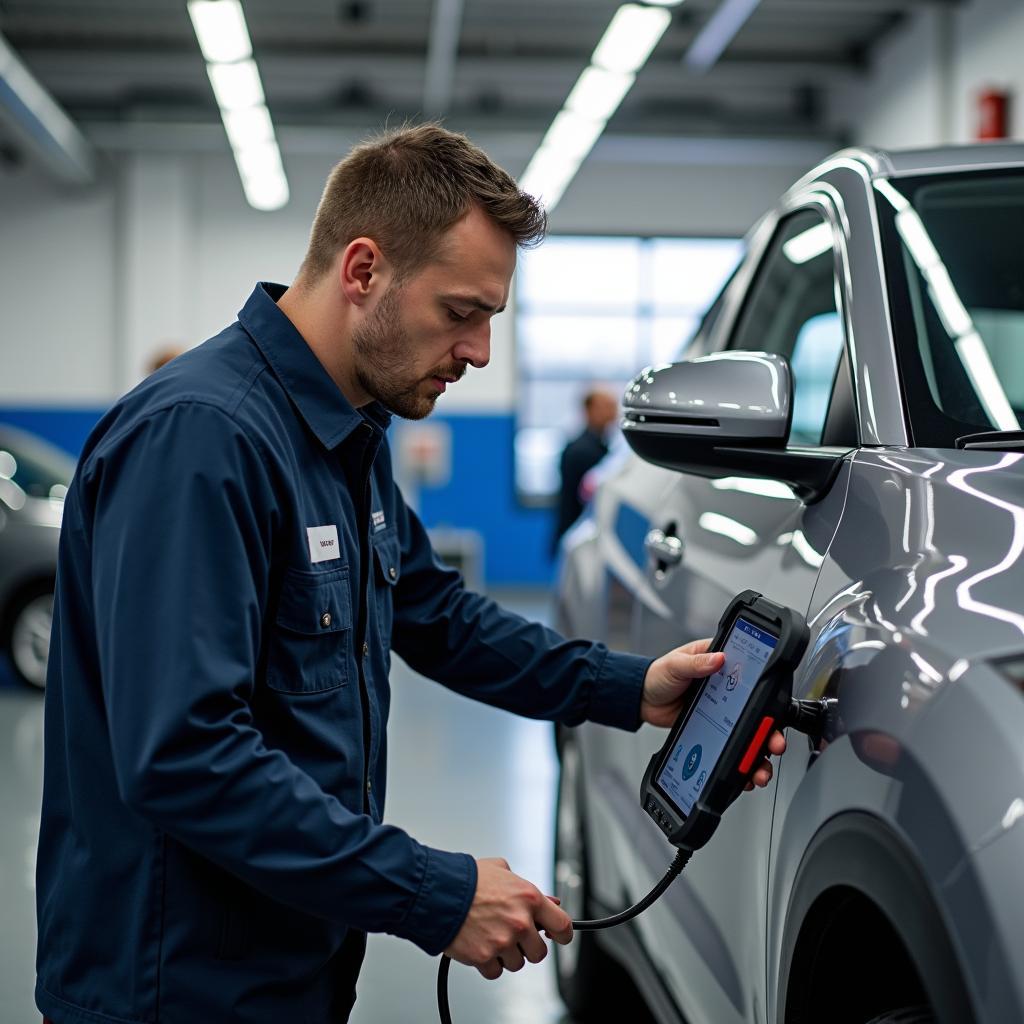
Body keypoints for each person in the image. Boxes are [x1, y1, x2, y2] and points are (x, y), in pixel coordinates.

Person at [35, 123, 784, 1024]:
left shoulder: (348, 433)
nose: (479, 353)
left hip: (292, 965)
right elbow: (185, 756)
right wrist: (434, 892)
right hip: (175, 987)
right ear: (363, 271)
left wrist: (633, 688)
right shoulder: (203, 440)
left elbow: (438, 616)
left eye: (492, 321)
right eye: (461, 312)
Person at [551, 388, 619, 555]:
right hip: (578, 533)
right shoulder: (583, 451)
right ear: (590, 410)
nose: (614, 412)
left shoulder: (596, 447)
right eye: (607, 406)